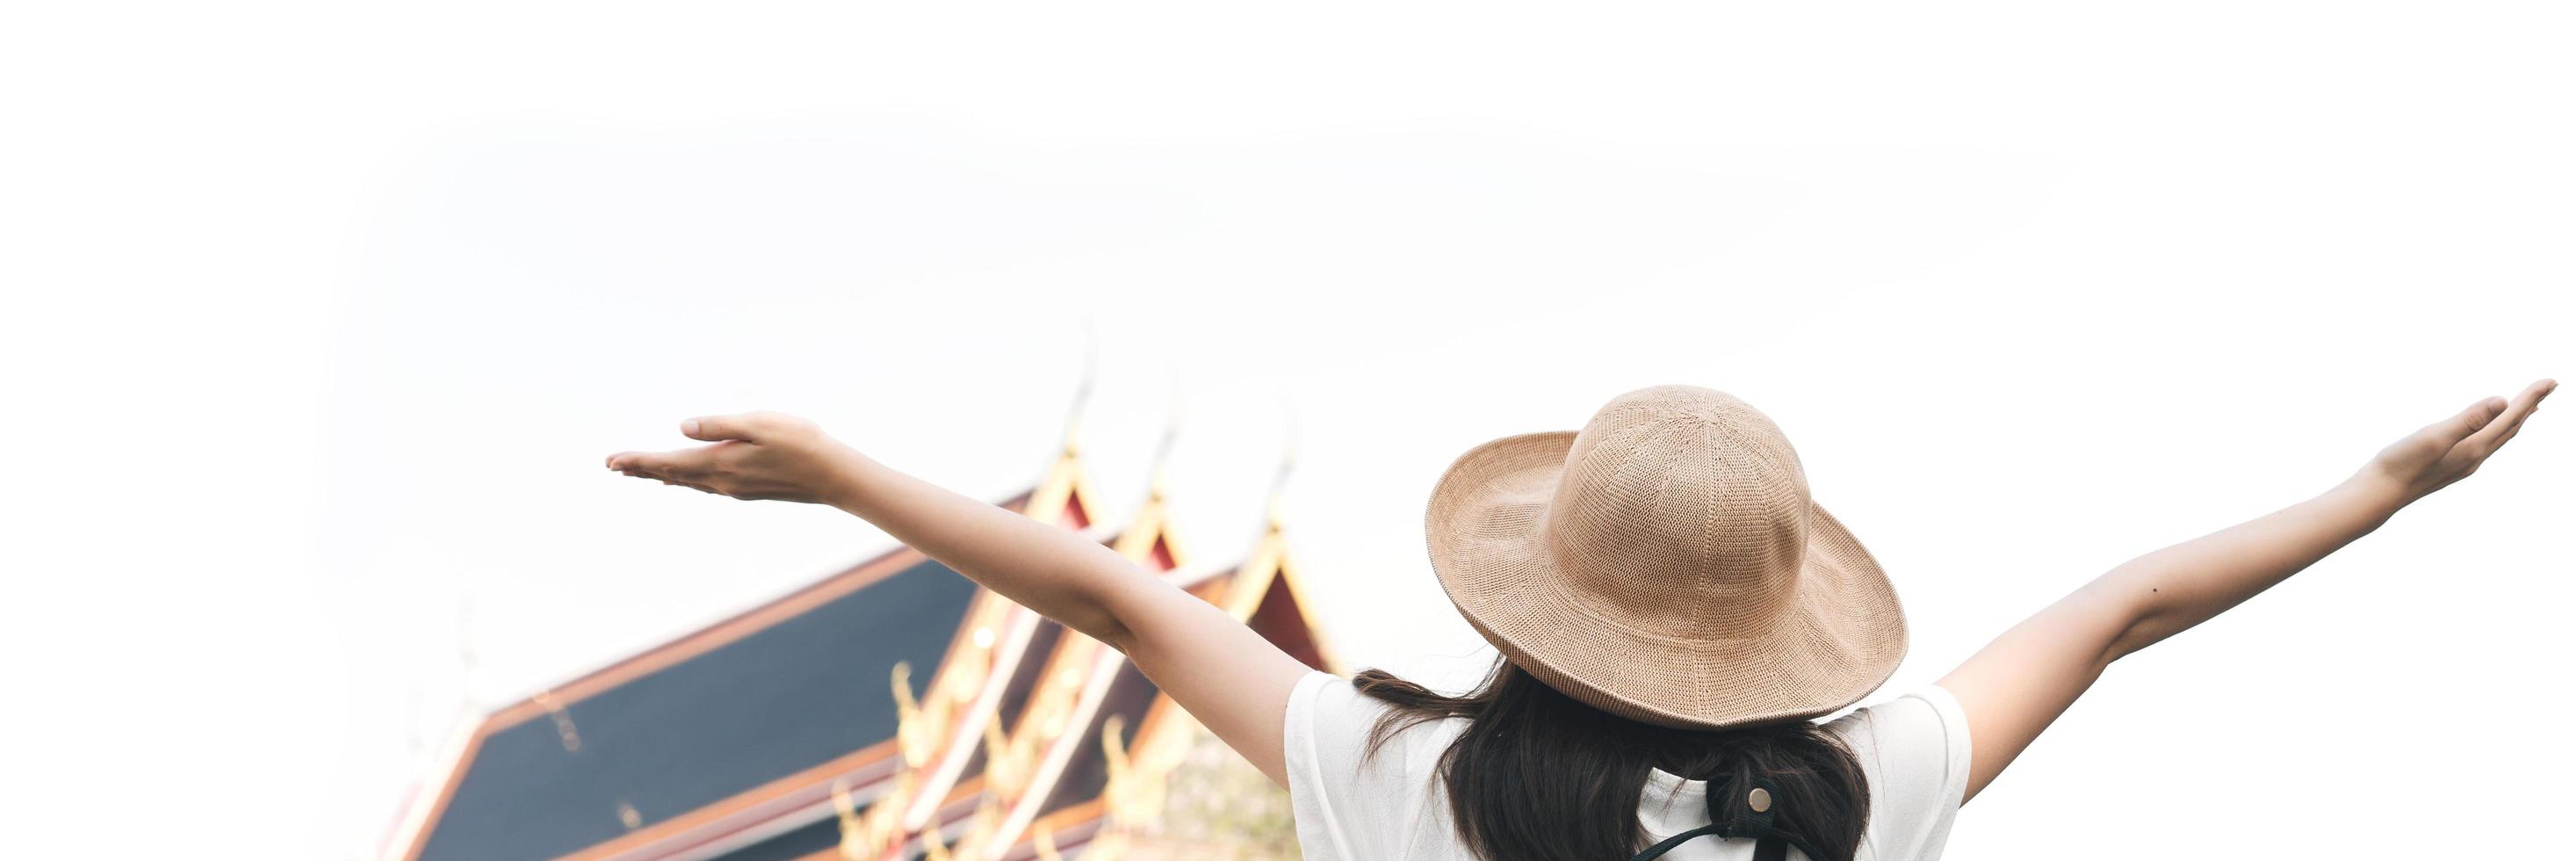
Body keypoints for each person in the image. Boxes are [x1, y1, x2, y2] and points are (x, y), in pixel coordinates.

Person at [607, 380, 2552, 860]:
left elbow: (1110, 598)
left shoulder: (1400, 777)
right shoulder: (1853, 797)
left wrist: (848, 474)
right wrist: (2381, 492)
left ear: (1539, 607)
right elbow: (2121, 608)